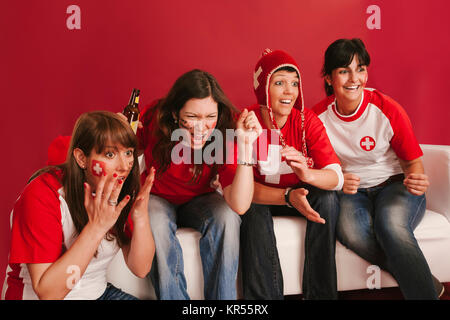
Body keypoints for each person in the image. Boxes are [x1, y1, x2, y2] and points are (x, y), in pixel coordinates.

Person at [313, 38, 444, 299]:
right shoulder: (317, 118)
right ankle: (426, 281)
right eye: (344, 71)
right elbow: (323, 168)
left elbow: (413, 164)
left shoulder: (387, 109)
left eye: (360, 69)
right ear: (328, 78)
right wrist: (339, 178)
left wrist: (417, 180)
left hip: (395, 185)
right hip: (353, 193)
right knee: (350, 231)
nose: (354, 78)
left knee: (391, 225)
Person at [137, 69, 262, 300]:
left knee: (227, 216)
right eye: (192, 117)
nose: (201, 127)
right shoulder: (153, 116)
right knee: (154, 221)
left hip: (200, 198)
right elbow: (126, 152)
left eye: (209, 117)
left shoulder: (227, 127)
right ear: (175, 113)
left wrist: (245, 144)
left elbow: (240, 205)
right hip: (158, 196)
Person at [4, 111, 156, 300]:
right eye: (110, 154)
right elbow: (47, 293)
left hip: (96, 293)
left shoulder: (119, 191)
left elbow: (141, 268)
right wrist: (96, 228)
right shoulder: (42, 195)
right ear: (81, 158)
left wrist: (140, 216)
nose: (125, 166)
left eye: (128, 153)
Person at [239, 49, 344, 300]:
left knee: (328, 199)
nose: (289, 92)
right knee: (251, 211)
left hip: (300, 194)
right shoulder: (246, 122)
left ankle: (321, 296)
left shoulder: (307, 120)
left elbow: (336, 177)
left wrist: (307, 174)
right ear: (263, 89)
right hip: (266, 198)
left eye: (295, 84)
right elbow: (236, 188)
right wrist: (287, 195)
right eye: (279, 83)